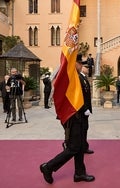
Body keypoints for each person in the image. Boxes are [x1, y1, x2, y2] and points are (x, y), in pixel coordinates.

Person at [40, 54, 95, 184]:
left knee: (80, 146)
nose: (82, 65)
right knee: (73, 147)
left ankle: (79, 173)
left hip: (81, 116)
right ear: (73, 63)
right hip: (73, 117)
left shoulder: (79, 77)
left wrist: (86, 109)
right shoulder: (71, 77)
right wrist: (83, 108)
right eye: (80, 63)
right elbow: (72, 97)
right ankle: (48, 167)